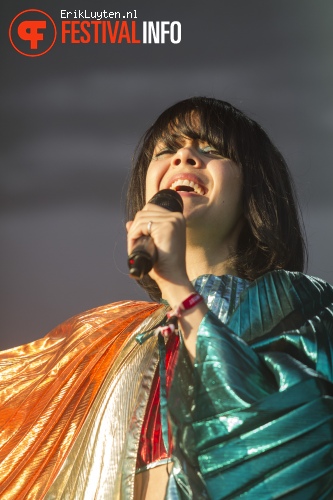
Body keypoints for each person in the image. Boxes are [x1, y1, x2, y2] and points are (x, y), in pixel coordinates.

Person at [0, 97, 332, 499]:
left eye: (211, 149)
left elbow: (283, 446)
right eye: (167, 150)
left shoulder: (303, 305)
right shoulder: (105, 336)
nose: (185, 157)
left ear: (254, 191)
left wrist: (179, 290)